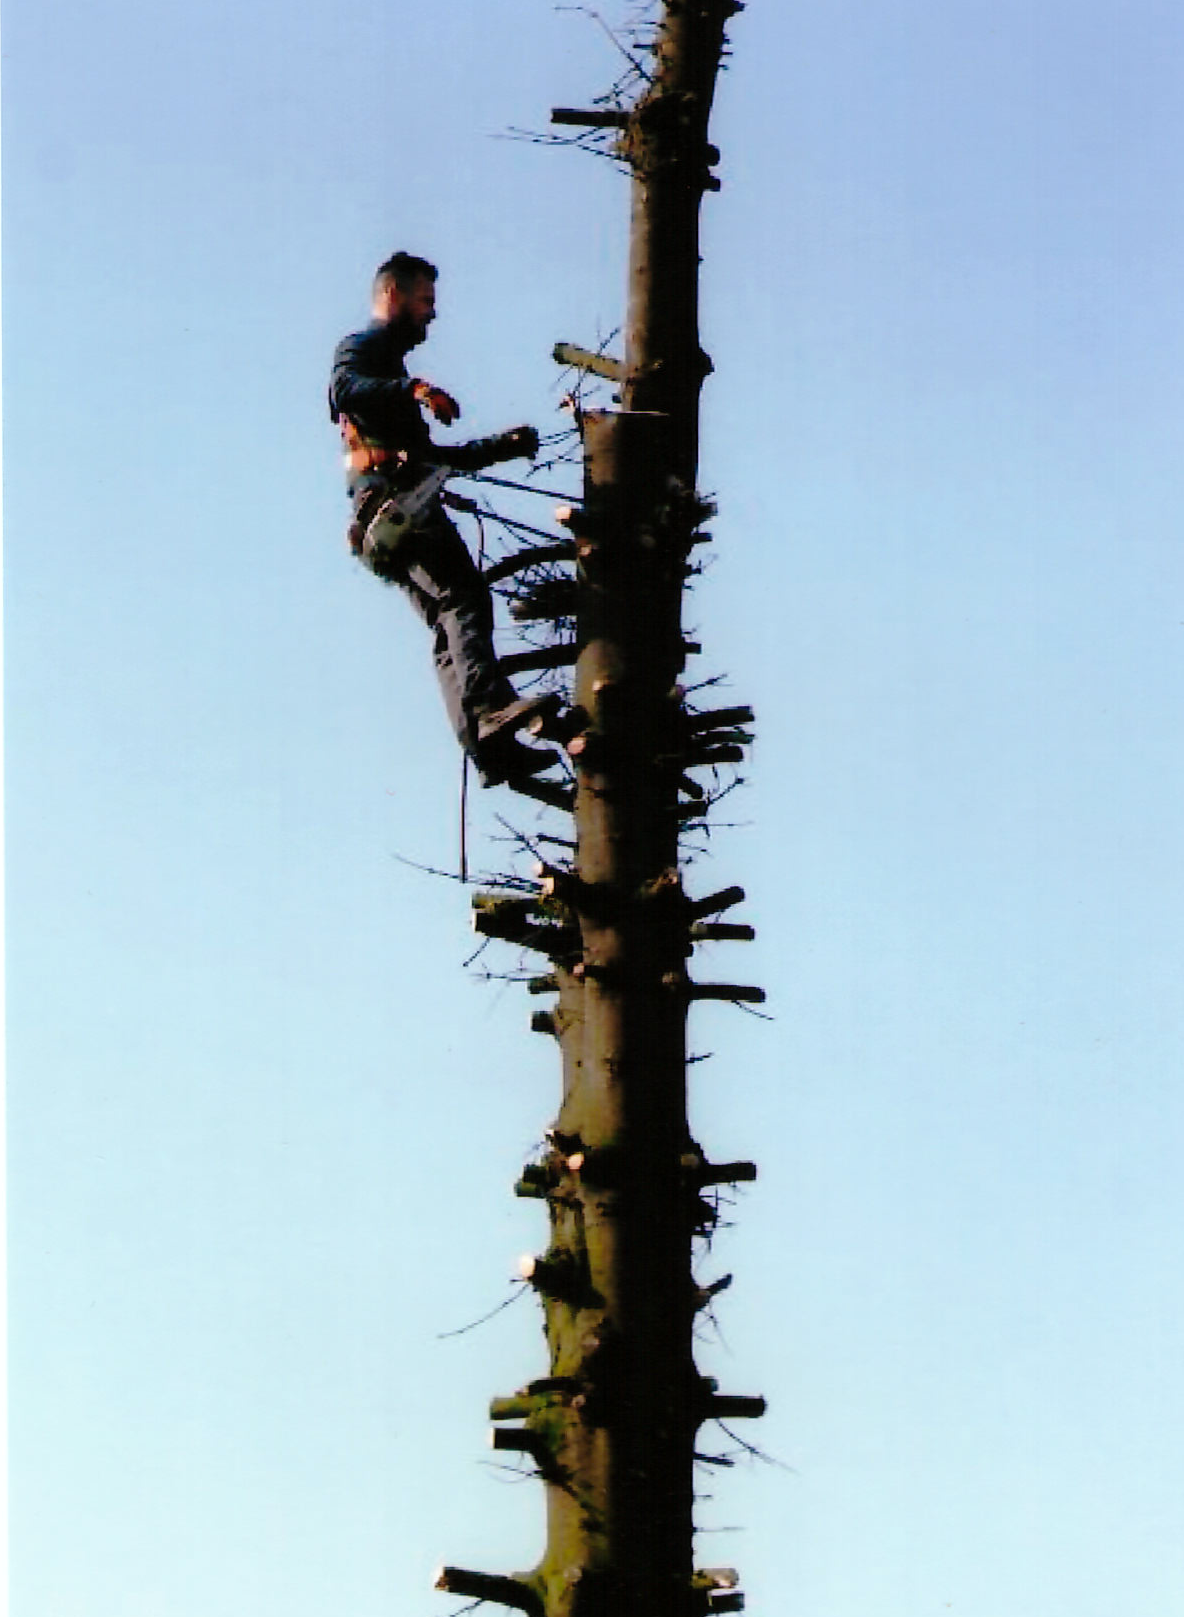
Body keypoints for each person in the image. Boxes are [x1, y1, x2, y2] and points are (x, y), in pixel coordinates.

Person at [329, 252, 557, 786]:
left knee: (445, 623)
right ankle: (491, 707)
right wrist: (414, 389)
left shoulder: (389, 372)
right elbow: (345, 388)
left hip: (382, 522)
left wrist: (502, 447)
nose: (432, 314)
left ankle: (488, 749)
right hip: (397, 509)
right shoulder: (362, 350)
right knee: (464, 598)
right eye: (425, 300)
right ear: (393, 297)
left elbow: (432, 458)